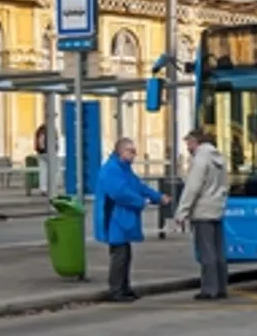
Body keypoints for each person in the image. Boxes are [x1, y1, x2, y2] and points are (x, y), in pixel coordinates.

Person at [94, 137, 168, 303]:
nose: (134, 155)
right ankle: (116, 290)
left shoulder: (124, 169)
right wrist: (141, 201)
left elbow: (139, 186)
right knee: (119, 256)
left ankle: (124, 287)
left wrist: (157, 197)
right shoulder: (111, 170)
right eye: (131, 151)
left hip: (122, 218)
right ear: (121, 151)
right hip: (114, 218)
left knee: (125, 255)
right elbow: (119, 193)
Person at [173, 128, 230, 300]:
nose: (187, 147)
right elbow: (225, 185)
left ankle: (209, 289)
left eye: (188, 143)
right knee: (218, 251)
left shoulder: (200, 159)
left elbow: (193, 187)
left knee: (206, 252)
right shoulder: (219, 158)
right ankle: (221, 287)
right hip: (217, 207)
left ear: (195, 142)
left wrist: (182, 211)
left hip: (202, 209)